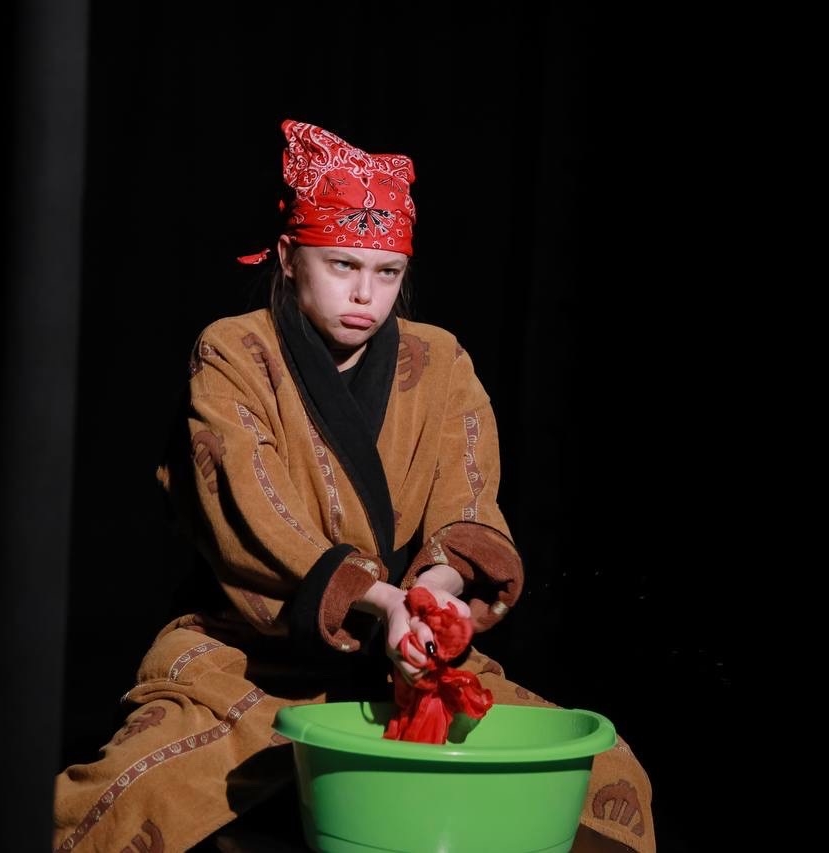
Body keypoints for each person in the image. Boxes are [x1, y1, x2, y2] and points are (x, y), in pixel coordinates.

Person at [52, 119, 656, 852]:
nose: (366, 294)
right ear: (288, 257)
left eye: (388, 272)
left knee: (610, 778)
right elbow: (246, 504)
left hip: (406, 660)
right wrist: (382, 599)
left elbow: (467, 503)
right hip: (251, 658)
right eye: (342, 265)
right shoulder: (234, 351)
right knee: (127, 798)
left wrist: (429, 599)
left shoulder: (441, 362)